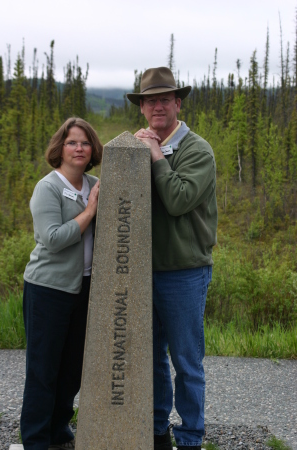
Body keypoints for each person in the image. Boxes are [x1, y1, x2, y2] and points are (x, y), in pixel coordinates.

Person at [127, 67, 217, 450]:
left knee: (186, 360)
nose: (158, 106)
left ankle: (192, 436)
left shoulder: (197, 150)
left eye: (165, 99)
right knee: (150, 358)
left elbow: (178, 199)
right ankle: (156, 429)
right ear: (143, 108)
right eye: (151, 100)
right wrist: (134, 155)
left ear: (178, 103)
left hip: (185, 272)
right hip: (145, 271)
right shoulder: (143, 144)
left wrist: (153, 156)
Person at [21, 117, 103, 450]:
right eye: (72, 142)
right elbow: (52, 239)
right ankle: (37, 439)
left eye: (85, 142)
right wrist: (90, 211)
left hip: (84, 289)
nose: (79, 148)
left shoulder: (95, 182)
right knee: (44, 369)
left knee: (72, 368)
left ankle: (58, 428)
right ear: (60, 148)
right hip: (48, 290)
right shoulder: (49, 187)